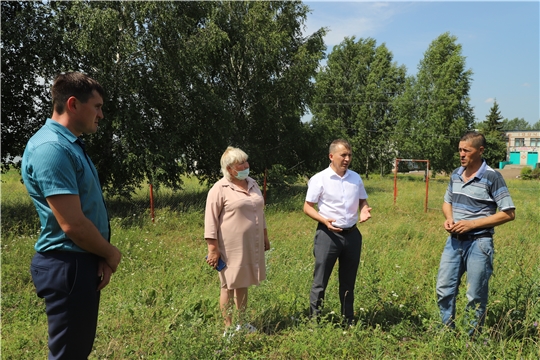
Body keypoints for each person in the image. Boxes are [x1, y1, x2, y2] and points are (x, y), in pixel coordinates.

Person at [21, 72, 122, 359]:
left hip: (79, 261)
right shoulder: (52, 149)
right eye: (98, 106)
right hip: (68, 265)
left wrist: (98, 255)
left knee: (76, 349)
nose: (101, 115)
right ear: (73, 104)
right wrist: (111, 253)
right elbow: (73, 224)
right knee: (69, 355)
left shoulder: (69, 145)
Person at [436, 131, 515, 337]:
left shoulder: (492, 177)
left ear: (480, 151)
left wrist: (472, 225)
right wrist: (449, 218)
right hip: (453, 242)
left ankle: (472, 338)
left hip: (479, 244)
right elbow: (447, 202)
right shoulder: (456, 174)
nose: (461, 154)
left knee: (475, 294)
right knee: (444, 289)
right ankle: (446, 331)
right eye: (460, 150)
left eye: (466, 150)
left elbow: (508, 213)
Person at [303, 139, 372, 325]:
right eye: (343, 155)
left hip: (352, 235)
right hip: (328, 235)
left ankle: (348, 319)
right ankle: (315, 320)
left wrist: (364, 208)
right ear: (331, 156)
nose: (347, 159)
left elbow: (362, 201)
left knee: (348, 281)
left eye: (349, 155)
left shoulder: (355, 178)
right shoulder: (319, 179)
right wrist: (323, 220)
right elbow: (307, 207)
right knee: (320, 281)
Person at [204, 146, 270, 334]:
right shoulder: (219, 188)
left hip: (251, 243)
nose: (246, 165)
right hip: (229, 246)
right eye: (240, 163)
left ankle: (242, 323)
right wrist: (212, 249)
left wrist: (264, 236)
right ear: (229, 168)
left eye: (245, 161)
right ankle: (229, 328)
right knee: (228, 285)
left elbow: (260, 212)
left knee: (243, 282)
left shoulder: (253, 183)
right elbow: (210, 220)